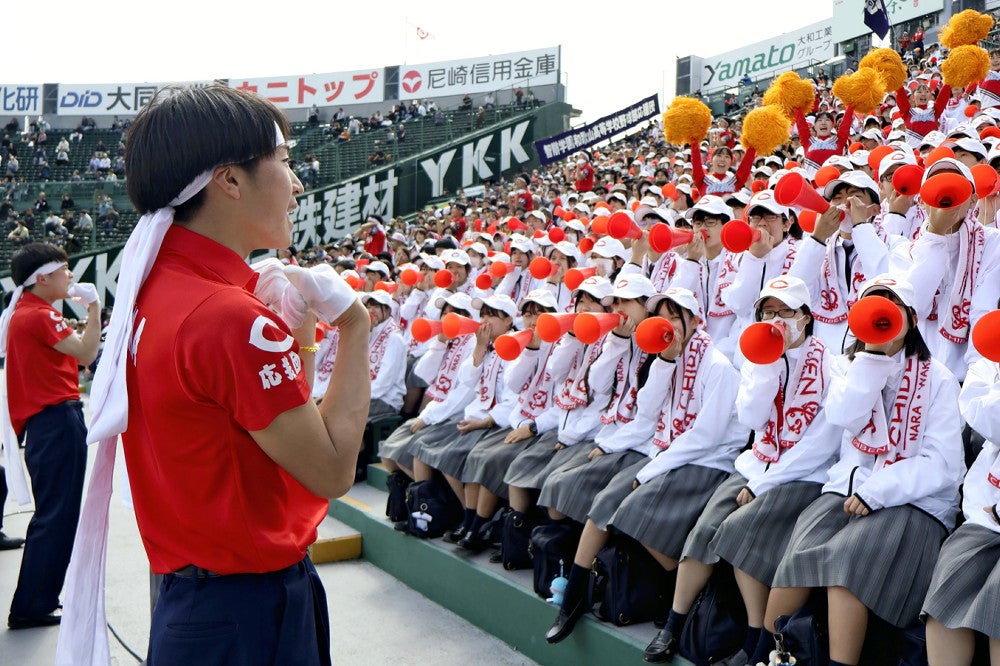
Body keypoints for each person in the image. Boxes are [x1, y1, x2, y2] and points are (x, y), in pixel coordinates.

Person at [56, 85, 370, 665]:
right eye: (284, 161)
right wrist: (354, 325)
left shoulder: (156, 290)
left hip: (194, 598)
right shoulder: (226, 315)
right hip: (247, 612)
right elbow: (329, 469)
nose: (297, 184)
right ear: (229, 180)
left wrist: (292, 335)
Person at [766, 276, 963, 666]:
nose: (881, 317)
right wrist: (871, 359)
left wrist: (877, 492)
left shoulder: (938, 377)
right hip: (849, 492)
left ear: (911, 318)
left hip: (914, 505)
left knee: (845, 564)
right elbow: (844, 415)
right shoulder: (848, 366)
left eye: (891, 309)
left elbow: (942, 465)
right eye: (871, 309)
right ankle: (768, 652)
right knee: (796, 557)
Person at [1, 243, 102, 629]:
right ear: (41, 279)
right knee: (57, 517)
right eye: (64, 270)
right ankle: (32, 604)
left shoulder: (26, 313)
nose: (71, 277)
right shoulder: (40, 315)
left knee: (53, 515)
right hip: (56, 420)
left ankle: (36, 600)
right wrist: (93, 309)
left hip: (47, 424)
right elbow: (86, 352)